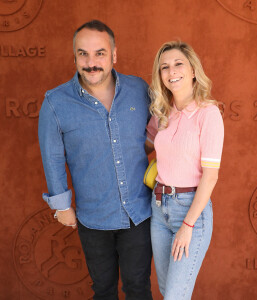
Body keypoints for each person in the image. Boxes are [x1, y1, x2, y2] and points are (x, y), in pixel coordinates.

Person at [38, 20, 153, 300]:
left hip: (139, 213)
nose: (91, 63)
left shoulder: (139, 89)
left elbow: (161, 134)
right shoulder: (55, 102)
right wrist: (62, 205)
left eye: (100, 53)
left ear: (114, 55)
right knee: (103, 291)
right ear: (74, 56)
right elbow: (52, 156)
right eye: (83, 54)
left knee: (138, 289)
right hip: (93, 218)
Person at [145, 41, 224, 300]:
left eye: (178, 63)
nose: (171, 71)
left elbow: (210, 176)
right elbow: (143, 147)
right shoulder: (162, 113)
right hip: (158, 208)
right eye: (164, 67)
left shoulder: (208, 114)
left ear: (192, 70)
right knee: (168, 291)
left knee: (175, 297)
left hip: (190, 212)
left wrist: (188, 224)